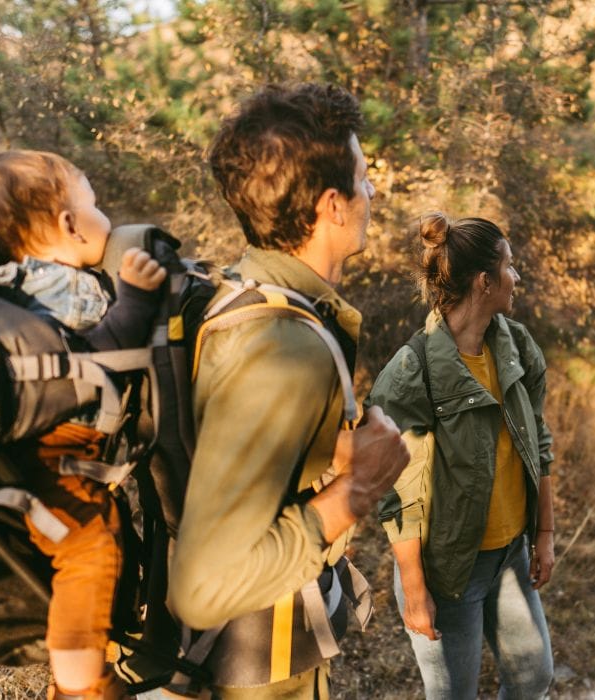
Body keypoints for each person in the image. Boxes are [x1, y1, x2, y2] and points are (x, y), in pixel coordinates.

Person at [166, 83, 409, 698]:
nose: (371, 191)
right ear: (332, 205)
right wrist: (357, 490)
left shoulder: (243, 294)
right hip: (249, 671)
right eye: (362, 177)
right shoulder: (284, 346)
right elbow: (204, 585)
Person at [0, 149, 167, 700]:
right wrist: (138, 302)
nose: (105, 217)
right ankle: (79, 687)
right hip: (53, 449)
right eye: (94, 205)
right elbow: (106, 354)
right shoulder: (71, 291)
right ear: (69, 225)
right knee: (88, 549)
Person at [368, 212, 556, 699]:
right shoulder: (414, 371)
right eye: (510, 267)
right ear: (484, 281)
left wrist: (546, 533)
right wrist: (414, 590)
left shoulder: (516, 347)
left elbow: (538, 440)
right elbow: (398, 494)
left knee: (533, 676)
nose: (517, 277)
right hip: (449, 568)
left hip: (511, 554)